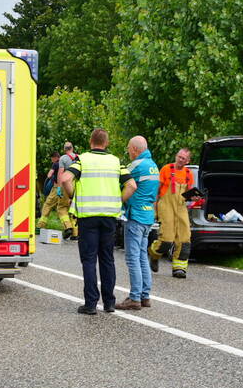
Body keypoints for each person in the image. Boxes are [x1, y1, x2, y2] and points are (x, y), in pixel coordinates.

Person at [61, 128, 136, 315]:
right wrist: (118, 200)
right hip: (109, 217)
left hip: (88, 217)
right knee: (107, 259)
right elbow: (131, 185)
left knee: (89, 260)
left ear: (90, 141)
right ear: (107, 142)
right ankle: (109, 303)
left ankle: (91, 304)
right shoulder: (116, 161)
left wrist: (73, 195)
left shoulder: (82, 160)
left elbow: (65, 179)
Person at [116, 136, 160, 311]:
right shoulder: (153, 165)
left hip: (136, 217)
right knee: (142, 256)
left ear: (135, 149)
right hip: (148, 216)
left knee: (132, 258)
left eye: (128, 148)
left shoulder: (136, 166)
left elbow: (119, 178)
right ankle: (145, 295)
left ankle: (134, 298)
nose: (128, 151)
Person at [149, 148, 195, 278]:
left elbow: (189, 194)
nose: (180, 160)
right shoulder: (166, 169)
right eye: (179, 156)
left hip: (181, 208)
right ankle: (154, 255)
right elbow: (157, 190)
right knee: (166, 240)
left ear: (187, 161)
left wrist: (194, 198)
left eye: (183, 158)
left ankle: (179, 268)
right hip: (166, 206)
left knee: (185, 239)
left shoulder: (188, 173)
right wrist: (153, 207)